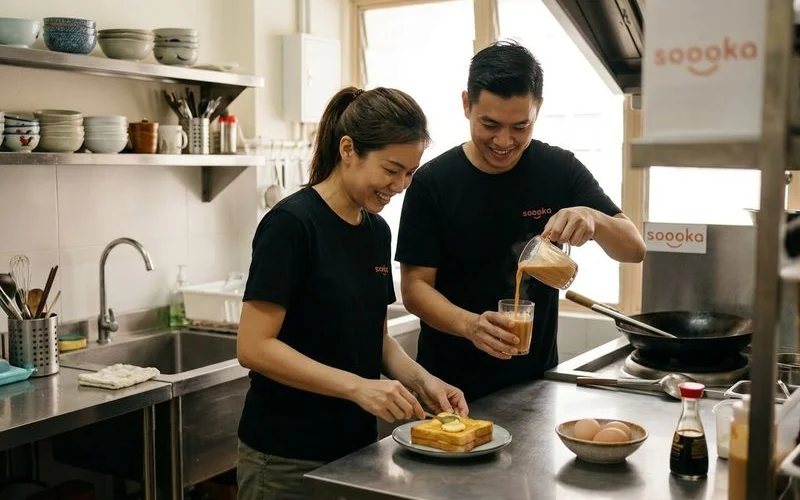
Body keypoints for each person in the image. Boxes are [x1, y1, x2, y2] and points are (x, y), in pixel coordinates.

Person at [236, 86, 469, 500]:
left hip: (356, 451)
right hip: (287, 456)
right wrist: (358, 387)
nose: (400, 185)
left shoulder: (376, 231)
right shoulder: (291, 225)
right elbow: (254, 347)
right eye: (391, 169)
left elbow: (373, 339)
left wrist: (424, 381)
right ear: (348, 150)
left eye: (410, 172)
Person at [396, 40, 647, 403]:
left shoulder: (558, 169)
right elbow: (415, 288)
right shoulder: (434, 182)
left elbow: (634, 249)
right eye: (490, 124)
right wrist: (471, 326)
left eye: (520, 126)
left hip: (537, 384)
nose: (504, 141)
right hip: (448, 389)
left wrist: (593, 218)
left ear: (538, 110)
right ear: (466, 104)